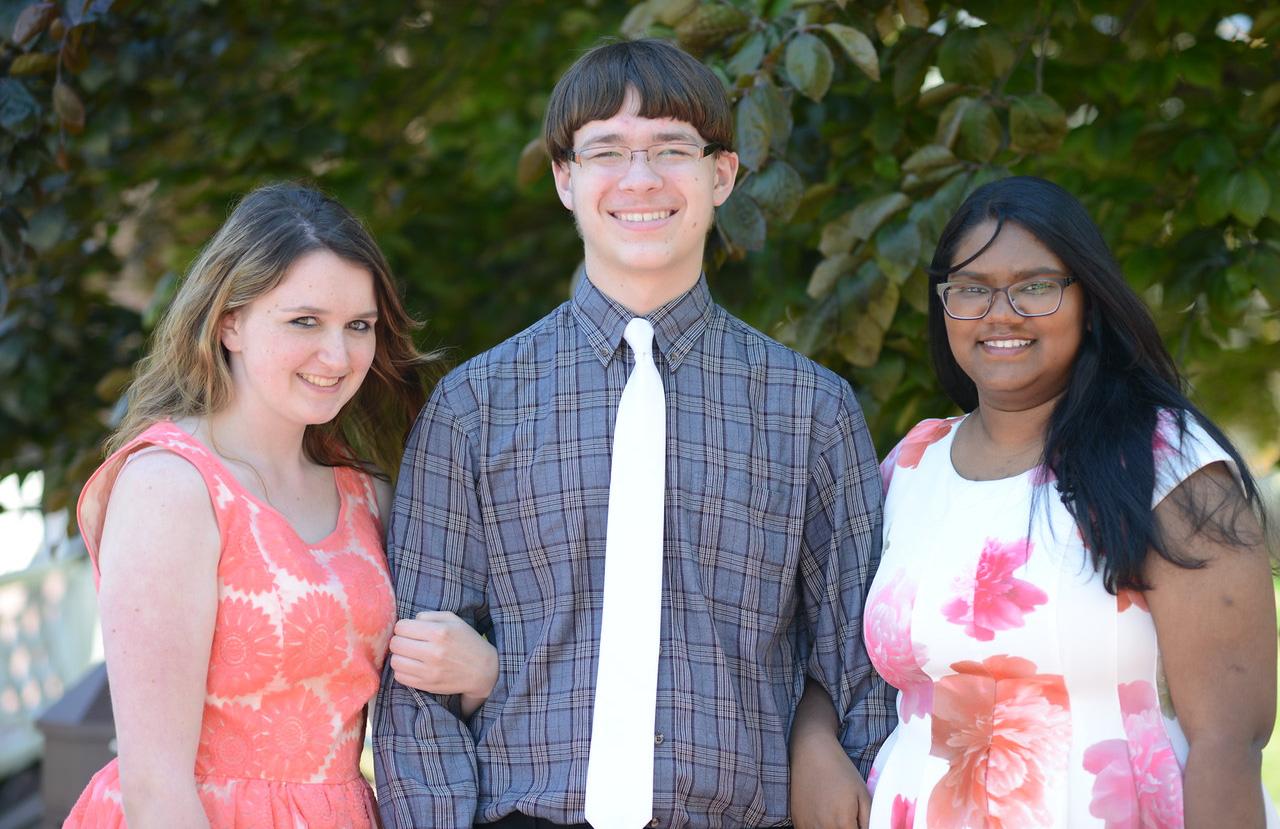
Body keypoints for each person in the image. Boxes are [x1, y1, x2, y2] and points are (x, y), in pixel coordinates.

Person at [373, 38, 896, 829]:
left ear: (722, 174)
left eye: (671, 148)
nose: (641, 177)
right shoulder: (473, 407)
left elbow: (863, 674)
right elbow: (416, 686)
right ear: (565, 178)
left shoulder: (812, 410)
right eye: (607, 151)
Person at [790, 175, 1277, 828]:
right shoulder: (910, 466)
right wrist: (813, 740)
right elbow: (830, 650)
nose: (1001, 312)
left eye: (1036, 286)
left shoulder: (1167, 464)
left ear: (1088, 301)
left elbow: (1229, 740)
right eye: (971, 288)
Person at [63, 183, 497, 828]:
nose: (338, 355)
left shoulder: (363, 493)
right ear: (230, 322)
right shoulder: (171, 487)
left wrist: (483, 673)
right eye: (304, 321)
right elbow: (154, 785)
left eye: (359, 326)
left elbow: (414, 714)